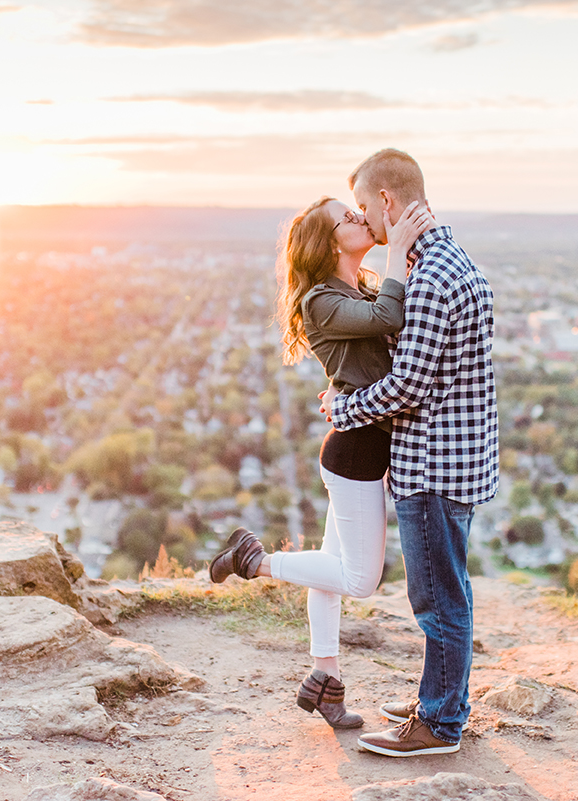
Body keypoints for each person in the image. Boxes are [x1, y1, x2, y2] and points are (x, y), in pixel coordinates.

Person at [208, 194, 433, 729]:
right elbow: (390, 315)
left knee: (330, 575)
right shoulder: (321, 300)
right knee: (359, 580)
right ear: (328, 242)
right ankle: (252, 560)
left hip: (359, 445)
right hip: (354, 452)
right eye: (347, 218)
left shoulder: (357, 287)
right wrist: (398, 246)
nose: (360, 219)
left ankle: (325, 682)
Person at [320, 148, 499, 757]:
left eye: (367, 209)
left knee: (437, 599)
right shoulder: (454, 262)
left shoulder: (426, 280)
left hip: (433, 464)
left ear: (388, 203)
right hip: (462, 459)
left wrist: (341, 408)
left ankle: (441, 725)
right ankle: (440, 697)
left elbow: (408, 385)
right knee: (452, 590)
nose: (365, 223)